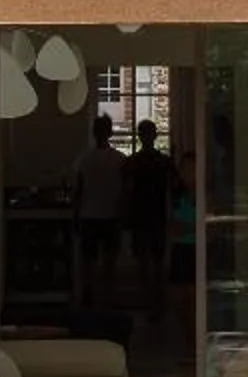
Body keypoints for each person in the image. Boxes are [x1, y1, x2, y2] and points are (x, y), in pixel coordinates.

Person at [121, 119, 182, 317]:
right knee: (156, 261)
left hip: (142, 215)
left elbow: (126, 192)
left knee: (145, 262)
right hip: (156, 214)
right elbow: (175, 189)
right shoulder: (163, 162)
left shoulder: (132, 162)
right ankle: (157, 301)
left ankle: (149, 300)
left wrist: (126, 215)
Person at [70, 114, 124, 307]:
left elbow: (78, 191)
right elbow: (124, 190)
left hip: (89, 215)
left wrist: (75, 216)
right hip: (111, 215)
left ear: (94, 133)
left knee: (89, 262)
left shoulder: (84, 159)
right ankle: (108, 297)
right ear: (110, 132)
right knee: (109, 262)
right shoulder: (119, 159)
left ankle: (89, 295)